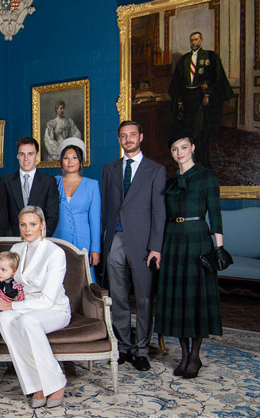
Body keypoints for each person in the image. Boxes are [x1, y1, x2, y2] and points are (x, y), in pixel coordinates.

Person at [155, 128, 225, 379]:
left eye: (183, 147)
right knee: (179, 300)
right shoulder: (170, 181)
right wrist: (159, 248)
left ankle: (195, 356)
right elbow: (161, 218)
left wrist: (218, 249)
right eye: (174, 149)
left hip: (198, 239)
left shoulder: (207, 177)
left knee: (195, 300)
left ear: (192, 148)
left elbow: (215, 215)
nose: (179, 153)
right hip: (173, 241)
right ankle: (184, 354)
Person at [101, 120, 166, 371]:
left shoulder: (156, 170)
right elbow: (107, 209)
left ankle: (141, 350)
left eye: (132, 134)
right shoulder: (109, 169)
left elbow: (159, 212)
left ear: (141, 136)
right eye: (123, 136)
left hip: (143, 242)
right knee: (117, 296)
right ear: (119, 140)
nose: (127, 139)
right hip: (115, 239)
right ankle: (123, 347)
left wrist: (156, 247)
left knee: (144, 297)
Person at [0, 206, 71, 409]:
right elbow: (9, 282)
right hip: (24, 305)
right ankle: (36, 383)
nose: (27, 229)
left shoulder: (55, 252)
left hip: (54, 308)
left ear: (42, 225)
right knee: (3, 318)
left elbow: (47, 300)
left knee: (27, 321)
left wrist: (11, 305)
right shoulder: (16, 249)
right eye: (23, 224)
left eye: (33, 224)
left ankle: (56, 383)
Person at [168, 31, 234, 167]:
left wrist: (208, 94)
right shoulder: (184, 60)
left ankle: (204, 161)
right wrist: (180, 100)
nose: (193, 42)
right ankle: (190, 160)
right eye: (191, 40)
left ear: (201, 40)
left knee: (202, 130)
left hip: (201, 97)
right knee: (189, 129)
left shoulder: (210, 57)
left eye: (196, 40)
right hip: (187, 98)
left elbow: (216, 78)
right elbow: (178, 83)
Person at [53, 137, 101, 282]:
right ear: (61, 162)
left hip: (83, 241)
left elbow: (95, 220)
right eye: (66, 158)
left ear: (81, 161)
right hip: (58, 239)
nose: (70, 161)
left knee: (84, 281)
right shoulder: (54, 182)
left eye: (74, 157)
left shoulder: (92, 185)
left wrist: (95, 249)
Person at [1, 137, 60, 237]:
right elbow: (2, 216)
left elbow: (52, 216)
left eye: (30, 154)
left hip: (40, 241)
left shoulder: (49, 181)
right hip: (13, 240)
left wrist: (40, 238)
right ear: (17, 156)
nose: (26, 158)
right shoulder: (5, 181)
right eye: (22, 154)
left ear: (37, 155)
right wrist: (11, 238)